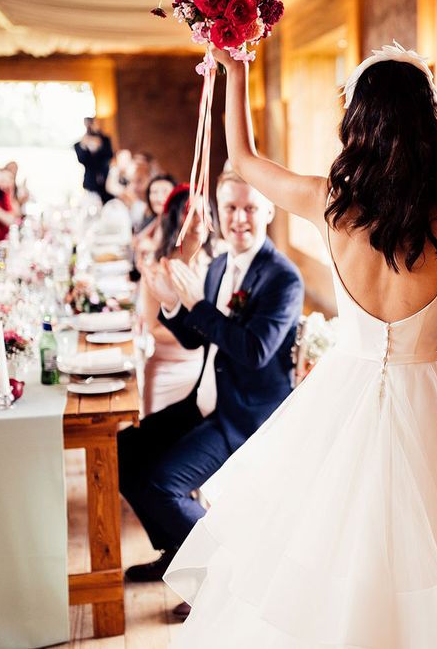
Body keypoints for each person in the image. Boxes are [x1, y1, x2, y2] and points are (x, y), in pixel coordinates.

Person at [157, 44, 437, 646]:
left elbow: (244, 160)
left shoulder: (329, 203)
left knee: (331, 556)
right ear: (428, 118)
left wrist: (238, 70)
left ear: (359, 119)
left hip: (342, 398)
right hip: (430, 396)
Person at [117, 170, 304, 595]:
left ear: (269, 210)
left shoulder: (282, 277)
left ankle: (226, 577)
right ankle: (177, 555)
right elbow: (197, 337)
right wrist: (170, 301)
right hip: (206, 400)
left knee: (163, 484)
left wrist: (196, 303)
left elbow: (254, 351)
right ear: (218, 213)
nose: (240, 219)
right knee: (122, 454)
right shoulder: (220, 263)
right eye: (231, 208)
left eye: (250, 208)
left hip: (246, 415)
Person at [138, 183, 212, 417]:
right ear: (175, 219)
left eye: (205, 212)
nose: (199, 220)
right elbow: (154, 328)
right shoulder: (157, 270)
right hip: (167, 371)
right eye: (190, 212)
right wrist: (204, 333)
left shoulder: (216, 266)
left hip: (207, 372)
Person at [132, 173, 177, 258]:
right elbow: (136, 240)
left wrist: (152, 247)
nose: (159, 198)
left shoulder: (177, 224)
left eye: (165, 192)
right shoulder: (156, 218)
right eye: (154, 192)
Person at [74, 117, 113, 204]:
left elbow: (109, 156)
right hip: (90, 182)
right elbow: (82, 160)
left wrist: (100, 143)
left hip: (105, 182)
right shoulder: (80, 143)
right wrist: (84, 145)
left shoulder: (105, 140)